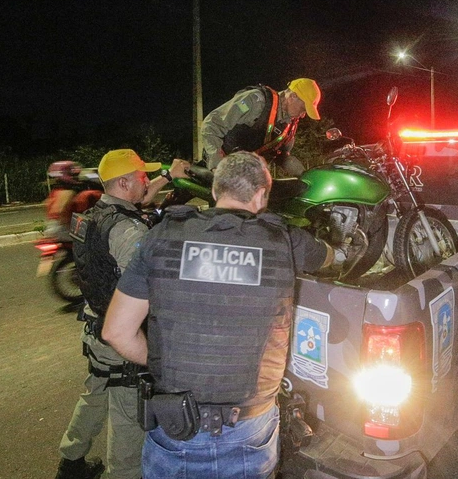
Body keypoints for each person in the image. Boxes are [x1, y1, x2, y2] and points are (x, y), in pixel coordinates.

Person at [102, 151, 335, 478]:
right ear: (260, 195)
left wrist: (168, 361)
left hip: (173, 428)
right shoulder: (284, 239)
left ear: (214, 192)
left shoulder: (161, 236)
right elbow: (327, 256)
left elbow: (115, 332)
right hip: (249, 430)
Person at [55, 149, 190, 479]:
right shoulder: (129, 232)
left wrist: (168, 177)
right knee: (128, 419)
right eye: (143, 177)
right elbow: (155, 283)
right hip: (121, 337)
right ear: (125, 182)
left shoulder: (95, 213)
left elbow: (138, 202)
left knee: (94, 395)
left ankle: (70, 462)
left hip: (94, 325)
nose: (146, 182)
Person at [200, 78, 322, 176]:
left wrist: (306, 176)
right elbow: (211, 125)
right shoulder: (255, 101)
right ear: (293, 96)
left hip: (245, 174)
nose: (303, 114)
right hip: (221, 165)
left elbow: (283, 157)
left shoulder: (290, 125)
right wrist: (217, 166)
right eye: (303, 108)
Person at [45, 161, 101, 240]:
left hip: (52, 229)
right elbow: (61, 212)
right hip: (63, 230)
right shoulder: (69, 192)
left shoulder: (56, 192)